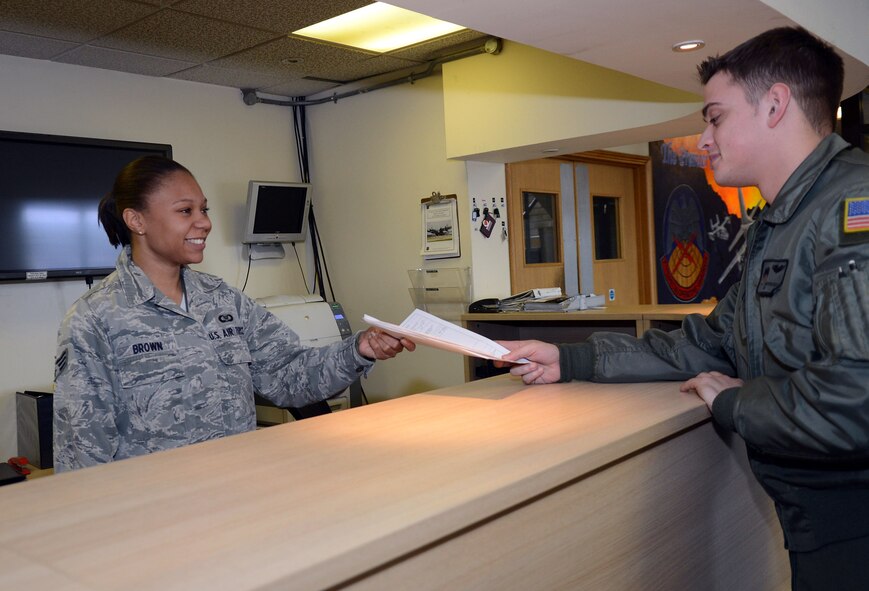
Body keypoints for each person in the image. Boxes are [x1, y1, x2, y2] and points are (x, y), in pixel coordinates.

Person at [497, 27, 869, 590]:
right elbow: (707, 341)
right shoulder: (781, 223)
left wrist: (737, 404)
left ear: (775, 105)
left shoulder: (852, 207)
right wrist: (568, 360)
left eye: (715, 118)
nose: (704, 139)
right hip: (820, 521)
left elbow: (855, 398)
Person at [53, 155, 414, 472]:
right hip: (157, 514)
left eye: (203, 209)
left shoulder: (223, 301)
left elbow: (287, 375)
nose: (204, 222)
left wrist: (360, 349)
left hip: (240, 488)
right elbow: (82, 449)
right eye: (185, 211)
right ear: (136, 220)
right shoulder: (95, 317)